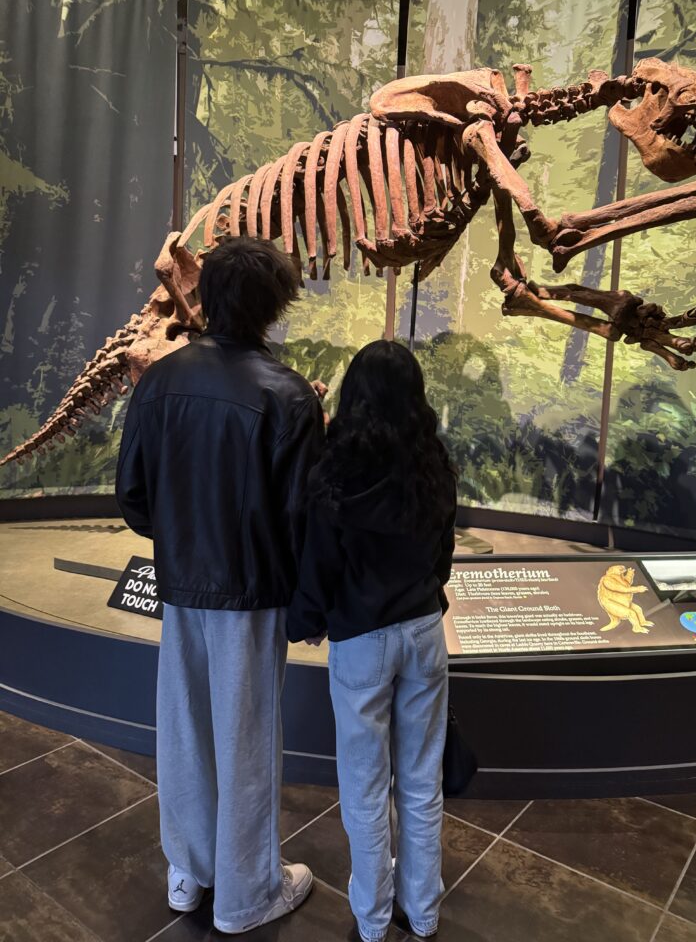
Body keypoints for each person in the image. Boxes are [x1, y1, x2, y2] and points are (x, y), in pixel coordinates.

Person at [116, 237, 324, 934]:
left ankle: (188, 872)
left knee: (182, 728)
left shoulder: (158, 382)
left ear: (205, 297)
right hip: (254, 592)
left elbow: (134, 497)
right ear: (274, 305)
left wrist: (182, 545)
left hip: (181, 585)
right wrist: (306, 597)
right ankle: (246, 893)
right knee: (247, 739)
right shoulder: (289, 396)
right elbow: (303, 517)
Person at [287, 340, 457, 942]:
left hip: (361, 639)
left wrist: (304, 620)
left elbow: (318, 562)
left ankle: (372, 917)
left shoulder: (335, 468)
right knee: (420, 777)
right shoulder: (433, 459)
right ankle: (425, 910)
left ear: (354, 393)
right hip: (424, 631)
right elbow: (443, 555)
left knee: (363, 783)